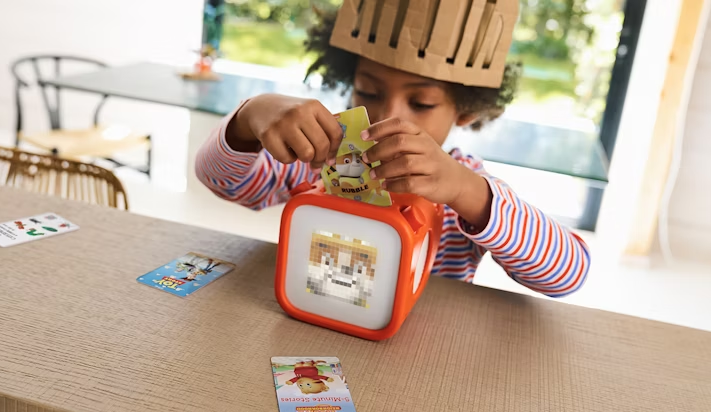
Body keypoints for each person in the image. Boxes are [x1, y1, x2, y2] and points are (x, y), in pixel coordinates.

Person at [195, 2, 590, 296]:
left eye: (421, 103)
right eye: (368, 91)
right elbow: (222, 181)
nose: (387, 116)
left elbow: (568, 275)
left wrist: (468, 192)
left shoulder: (466, 186)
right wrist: (249, 118)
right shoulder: (324, 161)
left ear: (466, 111)